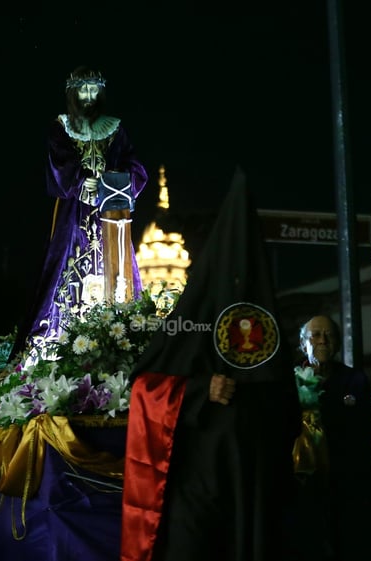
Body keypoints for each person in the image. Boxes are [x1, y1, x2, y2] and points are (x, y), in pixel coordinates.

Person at [120, 170, 301, 561]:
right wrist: (201, 390)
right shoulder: (192, 317)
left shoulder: (263, 319)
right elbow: (144, 389)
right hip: (197, 483)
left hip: (253, 486)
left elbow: (288, 408)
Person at [14, 65, 148, 355]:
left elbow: (134, 164)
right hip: (73, 212)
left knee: (116, 266)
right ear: (72, 93)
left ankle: (115, 334)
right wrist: (78, 180)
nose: (88, 96)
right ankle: (58, 338)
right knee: (65, 266)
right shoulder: (61, 126)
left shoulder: (115, 127)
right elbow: (58, 162)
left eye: (93, 90)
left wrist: (116, 183)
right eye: (83, 90)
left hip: (110, 212)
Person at [297, 315, 371, 560]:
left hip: (349, 483)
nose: (323, 340)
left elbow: (365, 428)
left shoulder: (355, 379)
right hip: (308, 484)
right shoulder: (293, 381)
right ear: (303, 344)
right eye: (315, 335)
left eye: (329, 335)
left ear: (338, 343)